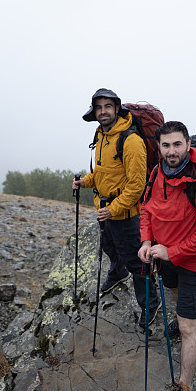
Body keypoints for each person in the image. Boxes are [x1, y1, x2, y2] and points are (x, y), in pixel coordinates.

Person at [138, 120, 196, 391]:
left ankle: (184, 390)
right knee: (173, 292)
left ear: (188, 144)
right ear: (158, 147)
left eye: (177, 144)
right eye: (165, 145)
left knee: (189, 327)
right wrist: (146, 242)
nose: (171, 151)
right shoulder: (157, 171)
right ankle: (181, 318)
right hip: (164, 256)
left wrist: (171, 251)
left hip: (194, 261)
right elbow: (147, 209)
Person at [73, 88, 160, 329]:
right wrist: (85, 182)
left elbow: (137, 185)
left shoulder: (131, 141)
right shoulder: (102, 134)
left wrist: (114, 210)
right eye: (99, 107)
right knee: (109, 245)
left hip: (126, 214)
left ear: (116, 109)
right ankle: (116, 272)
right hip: (104, 208)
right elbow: (103, 172)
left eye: (107, 107)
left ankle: (151, 305)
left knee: (137, 262)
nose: (103, 111)